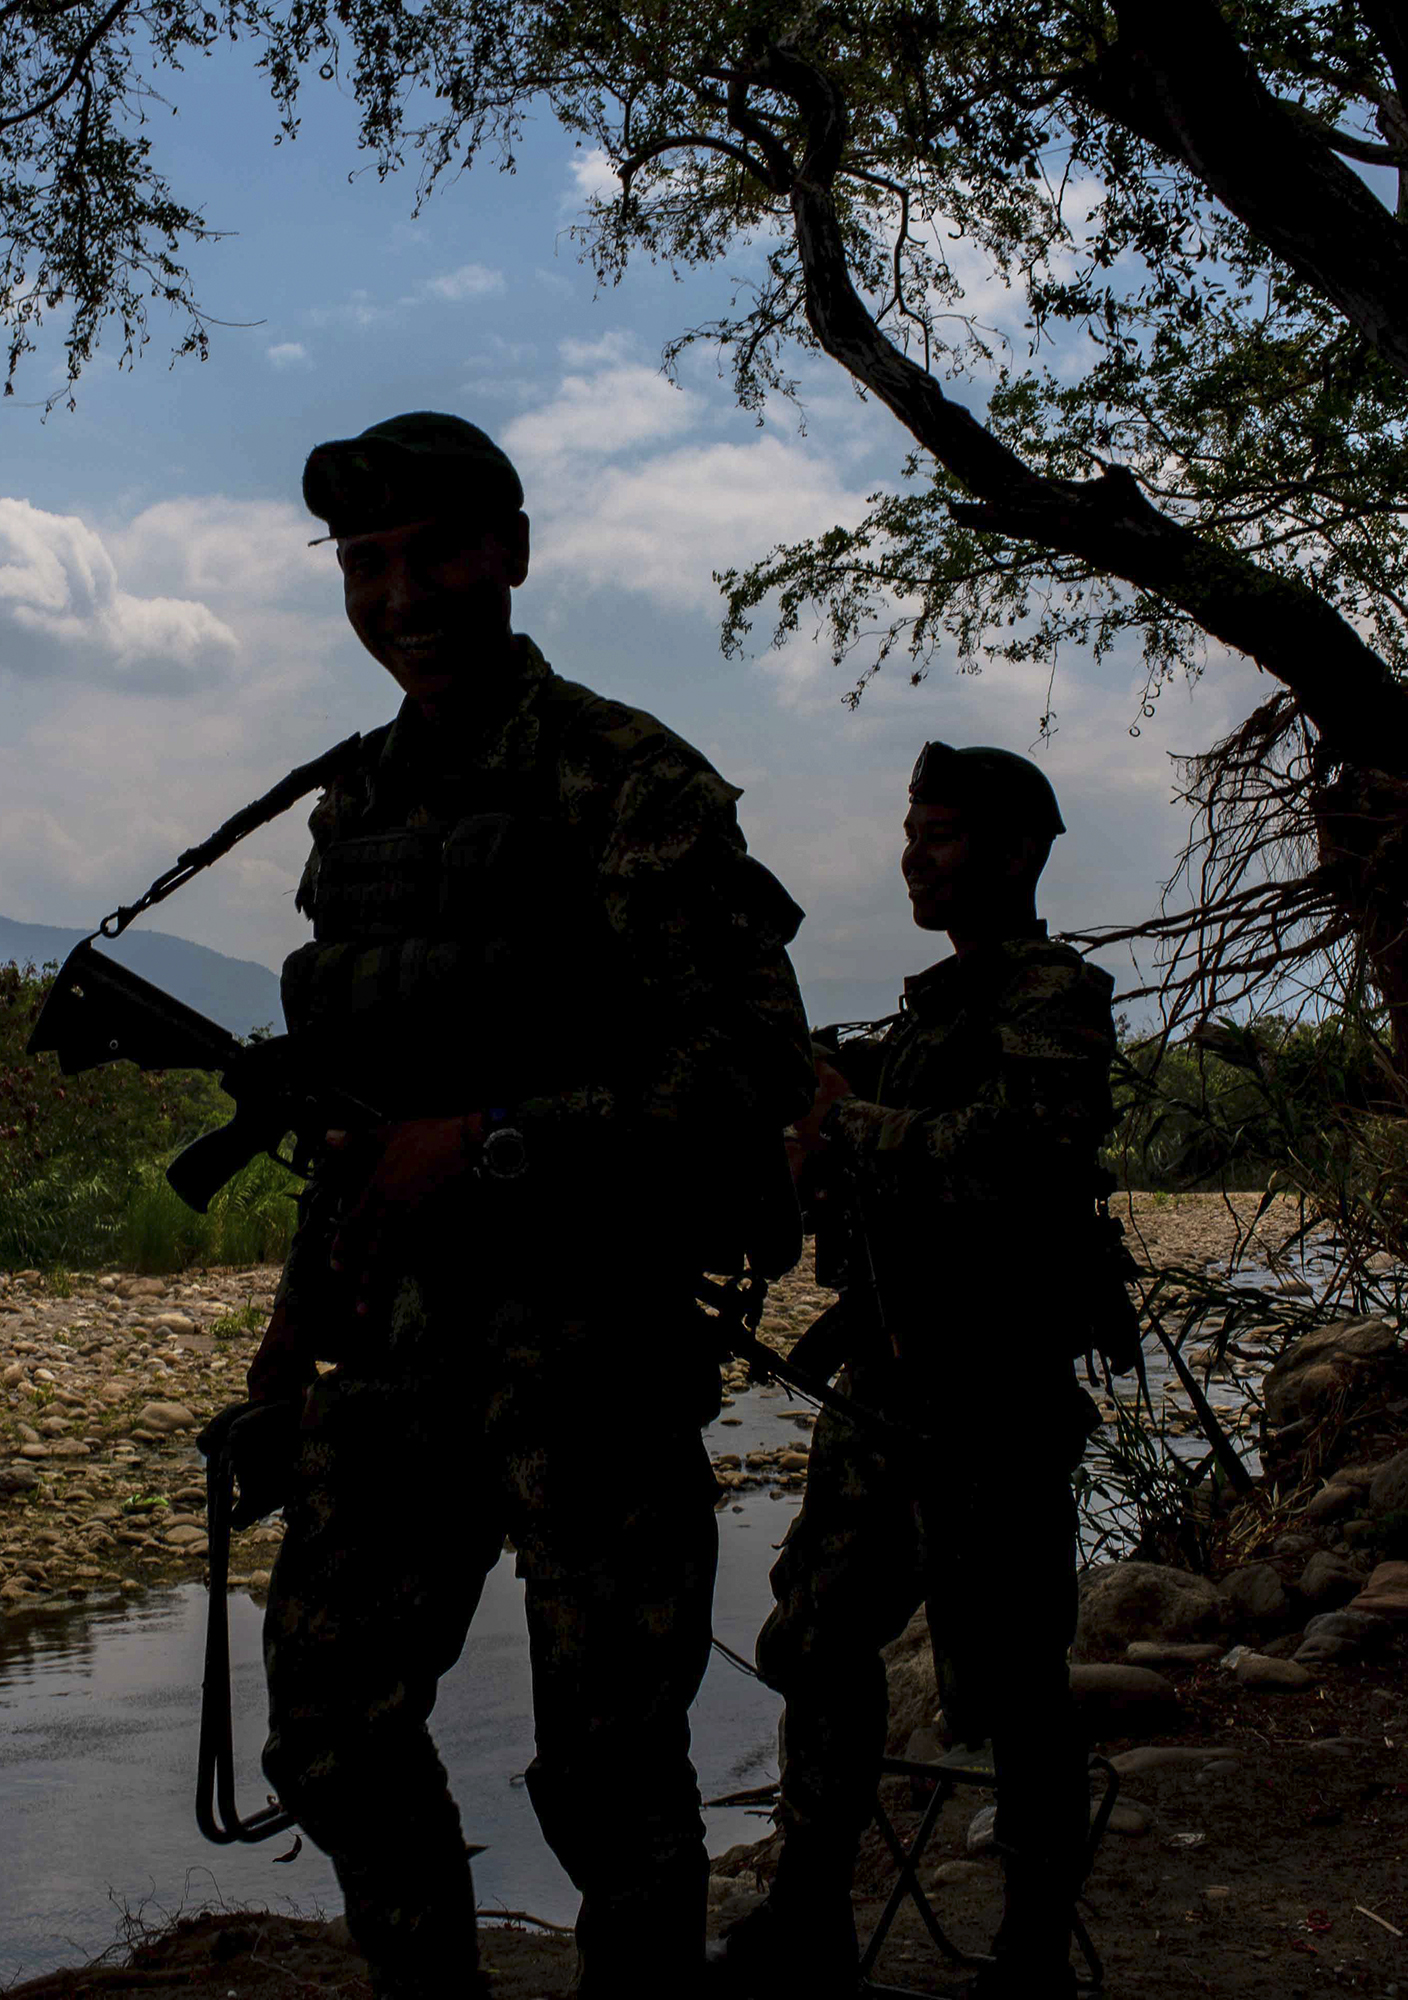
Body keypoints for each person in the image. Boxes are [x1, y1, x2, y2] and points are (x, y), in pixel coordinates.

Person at [240, 411, 815, 1999]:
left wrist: (496, 1139)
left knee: (609, 1775)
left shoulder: (624, 777)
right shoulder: (353, 807)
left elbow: (752, 1061)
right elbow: (354, 1123)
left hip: (593, 1346)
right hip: (399, 1350)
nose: (400, 593)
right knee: (329, 1729)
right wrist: (293, 1335)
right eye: (366, 563)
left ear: (508, 553)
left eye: (432, 554)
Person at [709, 743, 1121, 1999]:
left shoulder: (1054, 996)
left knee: (1015, 1682)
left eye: (941, 835)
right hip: (885, 1391)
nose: (915, 856)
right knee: (818, 1639)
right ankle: (807, 1916)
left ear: (1013, 854)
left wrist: (852, 1122)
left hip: (993, 1399)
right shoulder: (932, 1013)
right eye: (912, 832)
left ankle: (1032, 1951)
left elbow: (1020, 1153)